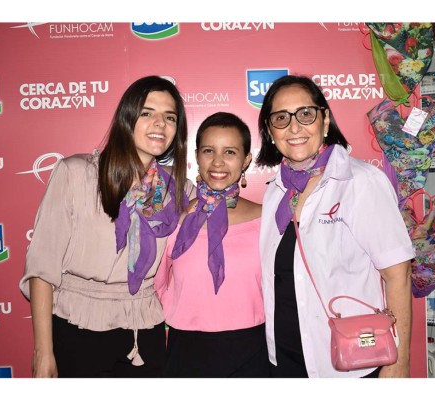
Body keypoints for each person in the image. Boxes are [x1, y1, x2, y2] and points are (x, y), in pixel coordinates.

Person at [19, 75, 194, 378]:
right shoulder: (76, 173)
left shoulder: (178, 191)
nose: (160, 124)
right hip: (78, 328)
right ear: (127, 118)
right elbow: (41, 268)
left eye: (170, 117)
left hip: (145, 330)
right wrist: (43, 352)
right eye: (147, 113)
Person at [255, 75, 415, 378]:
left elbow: (398, 275)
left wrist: (398, 363)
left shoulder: (361, 182)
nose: (294, 127)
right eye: (280, 118)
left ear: (324, 120)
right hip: (284, 363)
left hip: (351, 364)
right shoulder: (275, 191)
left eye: (305, 114)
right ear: (269, 131)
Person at [155, 112, 270, 377]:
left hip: (254, 350)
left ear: (246, 160)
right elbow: (158, 284)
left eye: (230, 152)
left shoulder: (266, 219)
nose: (218, 162)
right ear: (197, 157)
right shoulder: (175, 218)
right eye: (209, 150)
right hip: (186, 351)